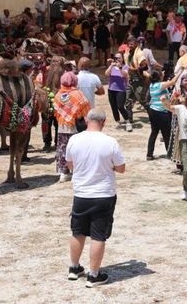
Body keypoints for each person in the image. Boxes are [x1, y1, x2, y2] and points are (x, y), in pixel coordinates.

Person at [65, 109, 125, 288]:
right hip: (103, 194)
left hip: (81, 193)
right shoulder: (110, 142)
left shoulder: (74, 139)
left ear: (86, 120)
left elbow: (70, 165)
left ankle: (74, 268)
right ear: (104, 122)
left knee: (78, 231)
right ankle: (93, 275)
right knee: (98, 235)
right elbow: (121, 168)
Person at [54, 72, 91, 182]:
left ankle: (63, 173)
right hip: (76, 128)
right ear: (74, 81)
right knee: (77, 150)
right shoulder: (78, 94)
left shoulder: (58, 94)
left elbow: (56, 110)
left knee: (63, 149)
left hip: (62, 127)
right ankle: (77, 172)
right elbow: (86, 109)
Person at [167, 72, 187, 175]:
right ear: (181, 82)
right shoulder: (178, 92)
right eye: (185, 80)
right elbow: (171, 106)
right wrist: (175, 98)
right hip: (179, 122)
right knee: (179, 143)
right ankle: (181, 166)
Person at [146, 69, 182, 160]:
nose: (163, 73)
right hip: (161, 112)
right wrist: (180, 71)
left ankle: (149, 154)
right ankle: (169, 153)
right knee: (166, 133)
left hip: (152, 111)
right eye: (161, 74)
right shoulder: (160, 85)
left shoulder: (152, 85)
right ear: (159, 77)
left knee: (154, 132)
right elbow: (173, 82)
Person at [105, 53, 132, 132]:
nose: (118, 59)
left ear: (122, 59)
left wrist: (120, 67)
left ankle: (128, 122)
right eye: (116, 58)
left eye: (119, 58)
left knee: (120, 106)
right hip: (111, 89)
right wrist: (111, 65)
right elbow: (106, 74)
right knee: (113, 107)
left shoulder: (125, 67)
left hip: (120, 90)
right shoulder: (112, 67)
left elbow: (124, 75)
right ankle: (118, 121)